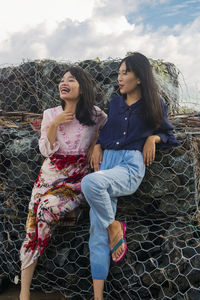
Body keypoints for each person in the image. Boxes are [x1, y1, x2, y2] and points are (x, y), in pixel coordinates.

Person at [81, 52, 178, 300]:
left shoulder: (153, 104)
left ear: (140, 77)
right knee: (97, 230)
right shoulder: (114, 104)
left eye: (126, 72)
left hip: (129, 165)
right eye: (119, 73)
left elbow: (170, 135)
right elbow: (107, 132)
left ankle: (115, 226)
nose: (120, 78)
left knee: (89, 182)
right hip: (108, 161)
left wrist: (152, 138)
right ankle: (98, 296)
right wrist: (99, 145)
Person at [19, 66, 107, 300]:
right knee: (32, 226)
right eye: (61, 80)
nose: (63, 83)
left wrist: (97, 145)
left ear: (83, 87)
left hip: (77, 181)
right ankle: (24, 292)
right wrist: (55, 124)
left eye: (71, 79)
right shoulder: (50, 113)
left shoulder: (97, 115)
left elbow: (106, 136)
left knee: (46, 209)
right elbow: (45, 150)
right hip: (48, 176)